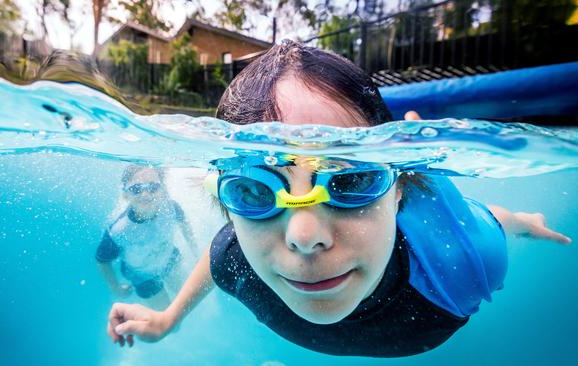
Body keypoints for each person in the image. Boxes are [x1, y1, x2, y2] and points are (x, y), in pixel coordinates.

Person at [105, 41, 571, 356]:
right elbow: (218, 253)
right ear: (228, 204)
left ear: (398, 187)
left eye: (350, 183)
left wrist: (516, 221)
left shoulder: (465, 262)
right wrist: (168, 319)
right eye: (252, 191)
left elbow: (486, 220)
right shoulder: (237, 257)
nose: (305, 238)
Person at [96, 164, 198, 310]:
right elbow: (102, 261)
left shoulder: (171, 208)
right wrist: (115, 287)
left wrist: (195, 249)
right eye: (136, 189)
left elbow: (185, 226)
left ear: (162, 190)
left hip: (170, 261)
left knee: (188, 301)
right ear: (125, 194)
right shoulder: (119, 230)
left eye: (153, 187)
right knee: (166, 319)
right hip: (143, 277)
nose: (145, 194)